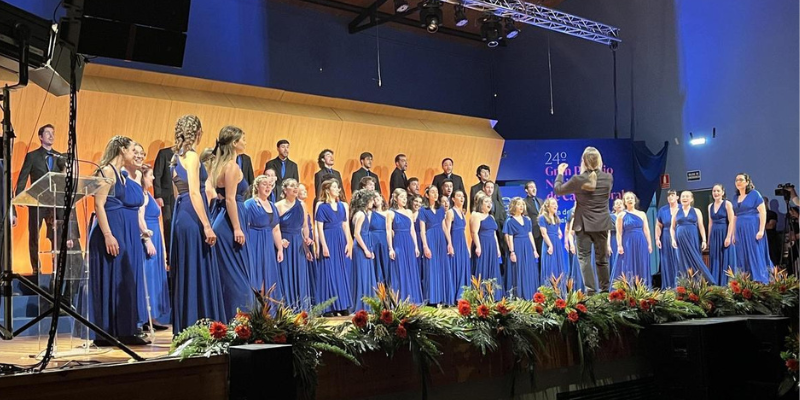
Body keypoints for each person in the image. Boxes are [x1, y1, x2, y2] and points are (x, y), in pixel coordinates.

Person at [88, 136, 148, 345]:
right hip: (109, 231)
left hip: (121, 231)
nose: (136, 153)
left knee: (122, 278)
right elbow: (99, 205)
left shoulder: (121, 175)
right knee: (110, 278)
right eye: (133, 149)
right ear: (122, 149)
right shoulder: (106, 171)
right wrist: (107, 235)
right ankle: (105, 332)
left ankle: (124, 330)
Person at [169, 115, 223, 335]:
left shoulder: (175, 157)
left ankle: (187, 323)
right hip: (193, 214)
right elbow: (193, 191)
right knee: (197, 266)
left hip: (181, 215)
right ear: (197, 132)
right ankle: (200, 323)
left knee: (187, 269)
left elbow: (177, 194)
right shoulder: (191, 156)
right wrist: (207, 225)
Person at [553, 147, 613, 295]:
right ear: (599, 161)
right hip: (602, 224)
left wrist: (560, 173)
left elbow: (558, 190)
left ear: (584, 162)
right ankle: (605, 291)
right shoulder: (608, 178)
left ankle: (592, 291)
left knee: (584, 258)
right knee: (602, 259)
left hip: (583, 225)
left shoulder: (578, 179)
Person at [210, 126, 252, 322]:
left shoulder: (219, 165)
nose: (245, 142)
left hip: (222, 217)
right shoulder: (232, 167)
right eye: (243, 139)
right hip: (230, 220)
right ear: (235, 143)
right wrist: (237, 227)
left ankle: (231, 318)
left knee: (229, 272)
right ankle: (240, 320)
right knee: (237, 274)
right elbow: (230, 199)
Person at [14, 124, 66, 275]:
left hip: (54, 204)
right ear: (40, 137)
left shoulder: (59, 157)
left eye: (53, 133)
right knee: (34, 236)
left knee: (56, 236)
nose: (51, 136)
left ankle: (57, 267)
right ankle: (36, 268)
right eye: (48, 133)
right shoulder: (32, 156)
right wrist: (20, 198)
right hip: (36, 203)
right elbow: (23, 178)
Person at [315, 179, 352, 315]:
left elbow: (345, 225)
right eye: (335, 187)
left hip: (341, 239)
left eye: (338, 187)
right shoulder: (322, 207)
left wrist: (348, 242)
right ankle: (328, 307)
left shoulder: (342, 206)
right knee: (329, 272)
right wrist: (324, 246)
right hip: (328, 239)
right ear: (327, 190)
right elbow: (319, 228)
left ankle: (342, 305)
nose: (338, 190)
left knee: (341, 272)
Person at [139, 164, 170, 330]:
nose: (152, 178)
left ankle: (152, 316)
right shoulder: (141, 196)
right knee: (148, 276)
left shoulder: (147, 194)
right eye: (150, 175)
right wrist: (147, 240)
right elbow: (140, 218)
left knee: (155, 276)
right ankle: (144, 317)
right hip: (148, 239)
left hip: (156, 237)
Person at [245, 175, 284, 300]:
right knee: (256, 275)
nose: (268, 187)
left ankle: (268, 310)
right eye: (264, 184)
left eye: (270, 185)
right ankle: (255, 308)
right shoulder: (249, 204)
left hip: (267, 244)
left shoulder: (272, 206)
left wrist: (280, 249)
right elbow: (245, 226)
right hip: (254, 242)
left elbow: (276, 229)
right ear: (257, 186)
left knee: (268, 275)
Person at [276, 179, 313, 311]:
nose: (295, 188)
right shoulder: (278, 206)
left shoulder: (302, 205)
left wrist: (307, 241)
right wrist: (280, 241)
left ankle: (302, 310)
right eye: (292, 186)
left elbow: (304, 226)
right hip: (286, 244)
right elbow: (274, 228)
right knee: (286, 275)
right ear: (285, 190)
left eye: (296, 186)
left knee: (300, 275)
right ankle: (287, 309)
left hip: (298, 244)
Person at [732, 173, 771, 283]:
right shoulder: (735, 197)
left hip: (752, 227)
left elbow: (763, 212)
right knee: (741, 253)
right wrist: (734, 234)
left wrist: (761, 230)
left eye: (741, 179)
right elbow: (735, 216)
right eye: (736, 180)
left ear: (747, 182)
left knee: (754, 252)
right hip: (740, 228)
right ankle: (745, 281)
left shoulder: (754, 194)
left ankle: (759, 280)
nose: (738, 182)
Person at [671, 191, 715, 283]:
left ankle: (703, 283)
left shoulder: (696, 211)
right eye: (683, 196)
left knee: (696, 260)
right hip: (680, 241)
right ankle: (684, 285)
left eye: (687, 196)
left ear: (691, 199)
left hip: (692, 239)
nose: (684, 198)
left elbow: (701, 226)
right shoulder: (676, 211)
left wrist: (704, 240)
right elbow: (672, 228)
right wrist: (673, 239)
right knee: (681, 262)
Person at [419, 185, 453, 305]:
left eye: (436, 192)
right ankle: (432, 298)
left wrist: (449, 242)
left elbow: (444, 226)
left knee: (442, 266)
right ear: (427, 195)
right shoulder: (423, 210)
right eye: (432, 192)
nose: (435, 194)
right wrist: (425, 246)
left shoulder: (441, 209)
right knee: (431, 267)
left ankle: (443, 297)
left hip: (440, 238)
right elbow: (422, 230)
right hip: (430, 237)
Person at [386, 189, 422, 303]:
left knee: (411, 269)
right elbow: (388, 231)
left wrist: (416, 246)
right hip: (398, 242)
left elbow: (412, 230)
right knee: (400, 269)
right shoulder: (390, 213)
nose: (404, 200)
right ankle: (400, 299)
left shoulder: (409, 212)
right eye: (402, 197)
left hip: (409, 243)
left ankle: (413, 299)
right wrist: (390, 248)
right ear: (396, 198)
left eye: (405, 197)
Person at [611, 192, 652, 287]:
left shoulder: (642, 214)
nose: (630, 200)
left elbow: (646, 230)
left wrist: (649, 244)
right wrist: (619, 245)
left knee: (641, 262)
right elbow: (619, 232)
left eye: (631, 198)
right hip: (628, 242)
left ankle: (643, 288)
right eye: (627, 198)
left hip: (641, 241)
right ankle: (629, 287)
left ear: (635, 200)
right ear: (624, 202)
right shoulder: (621, 215)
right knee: (627, 263)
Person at [503, 197, 539, 299]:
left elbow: (530, 234)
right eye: (519, 204)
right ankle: (520, 295)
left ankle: (531, 294)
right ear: (514, 206)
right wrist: (512, 252)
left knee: (528, 269)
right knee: (519, 270)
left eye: (523, 204)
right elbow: (509, 237)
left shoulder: (527, 220)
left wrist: (534, 250)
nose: (521, 206)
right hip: (517, 246)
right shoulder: (510, 221)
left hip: (527, 246)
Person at [350, 189, 377, 311]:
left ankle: (368, 304)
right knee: (362, 276)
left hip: (365, 245)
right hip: (361, 247)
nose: (373, 202)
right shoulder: (360, 214)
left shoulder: (363, 213)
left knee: (366, 275)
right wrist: (366, 249)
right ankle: (361, 306)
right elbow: (356, 234)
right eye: (371, 200)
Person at [471, 194, 502, 300]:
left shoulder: (491, 217)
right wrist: (478, 247)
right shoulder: (476, 215)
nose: (489, 204)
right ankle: (481, 295)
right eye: (486, 202)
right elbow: (474, 232)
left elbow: (494, 234)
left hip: (492, 245)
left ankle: (493, 295)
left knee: (492, 268)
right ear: (480, 204)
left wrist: (497, 248)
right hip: (482, 243)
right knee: (482, 268)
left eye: (490, 202)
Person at [708, 184, 736, 285]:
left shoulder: (727, 204)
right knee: (715, 258)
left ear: (722, 192)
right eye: (714, 191)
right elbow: (710, 223)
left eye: (718, 191)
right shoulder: (710, 206)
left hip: (724, 232)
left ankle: (727, 284)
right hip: (714, 235)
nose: (716, 193)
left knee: (726, 258)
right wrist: (708, 239)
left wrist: (729, 236)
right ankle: (716, 283)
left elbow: (732, 221)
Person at [445, 189, 470, 302]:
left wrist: (467, 246)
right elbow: (447, 230)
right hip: (454, 241)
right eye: (459, 196)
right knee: (456, 266)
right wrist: (450, 244)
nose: (462, 198)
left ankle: (463, 295)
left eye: (463, 196)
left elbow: (464, 231)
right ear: (453, 199)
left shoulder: (462, 212)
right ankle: (455, 296)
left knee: (463, 266)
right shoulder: (451, 212)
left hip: (462, 242)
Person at [538, 198, 567, 293]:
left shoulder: (556, 218)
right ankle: (549, 293)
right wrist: (550, 245)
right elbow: (544, 233)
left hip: (557, 244)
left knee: (558, 267)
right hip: (549, 244)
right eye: (553, 204)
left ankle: (560, 293)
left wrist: (559, 233)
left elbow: (558, 230)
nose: (556, 206)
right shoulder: (542, 218)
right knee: (550, 268)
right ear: (548, 206)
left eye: (556, 204)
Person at [153, 145, 175, 261]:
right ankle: (169, 258)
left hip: (181, 196)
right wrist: (158, 195)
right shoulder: (164, 153)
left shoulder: (188, 155)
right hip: (166, 197)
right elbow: (157, 174)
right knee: (168, 225)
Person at [656, 190, 679, 288]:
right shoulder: (662, 210)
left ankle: (680, 285)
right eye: (669, 196)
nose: (670, 197)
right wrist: (657, 238)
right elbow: (658, 225)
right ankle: (669, 285)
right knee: (667, 260)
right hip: (665, 236)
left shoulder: (682, 208)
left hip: (679, 235)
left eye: (672, 195)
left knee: (679, 260)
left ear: (677, 197)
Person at [369, 196, 391, 286]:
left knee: (386, 263)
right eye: (373, 198)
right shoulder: (370, 213)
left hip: (385, 239)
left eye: (377, 197)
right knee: (377, 264)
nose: (375, 199)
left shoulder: (388, 213)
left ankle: (389, 289)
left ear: (382, 198)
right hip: (374, 240)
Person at [523, 181, 545, 255]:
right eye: (531, 187)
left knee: (543, 255)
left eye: (535, 187)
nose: (534, 189)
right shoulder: (524, 202)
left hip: (543, 232)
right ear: (526, 190)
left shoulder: (540, 201)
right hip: (532, 232)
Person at [764, 196, 780, 266]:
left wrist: (759, 227)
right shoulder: (755, 215)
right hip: (761, 240)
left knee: (773, 259)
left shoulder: (772, 214)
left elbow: (771, 226)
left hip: (771, 240)